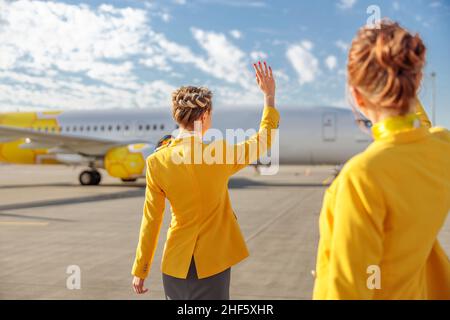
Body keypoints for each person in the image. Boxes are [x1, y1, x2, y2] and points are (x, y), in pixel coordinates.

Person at [313, 20, 450, 299]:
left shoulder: (362, 176)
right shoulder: (441, 147)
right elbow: (419, 128)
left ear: (357, 97)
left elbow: (348, 291)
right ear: (418, 82)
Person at [131, 61, 279, 299]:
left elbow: (152, 220)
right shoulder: (219, 153)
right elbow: (263, 140)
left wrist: (141, 268)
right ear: (205, 114)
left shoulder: (156, 161)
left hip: (174, 265)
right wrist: (269, 96)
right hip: (212, 264)